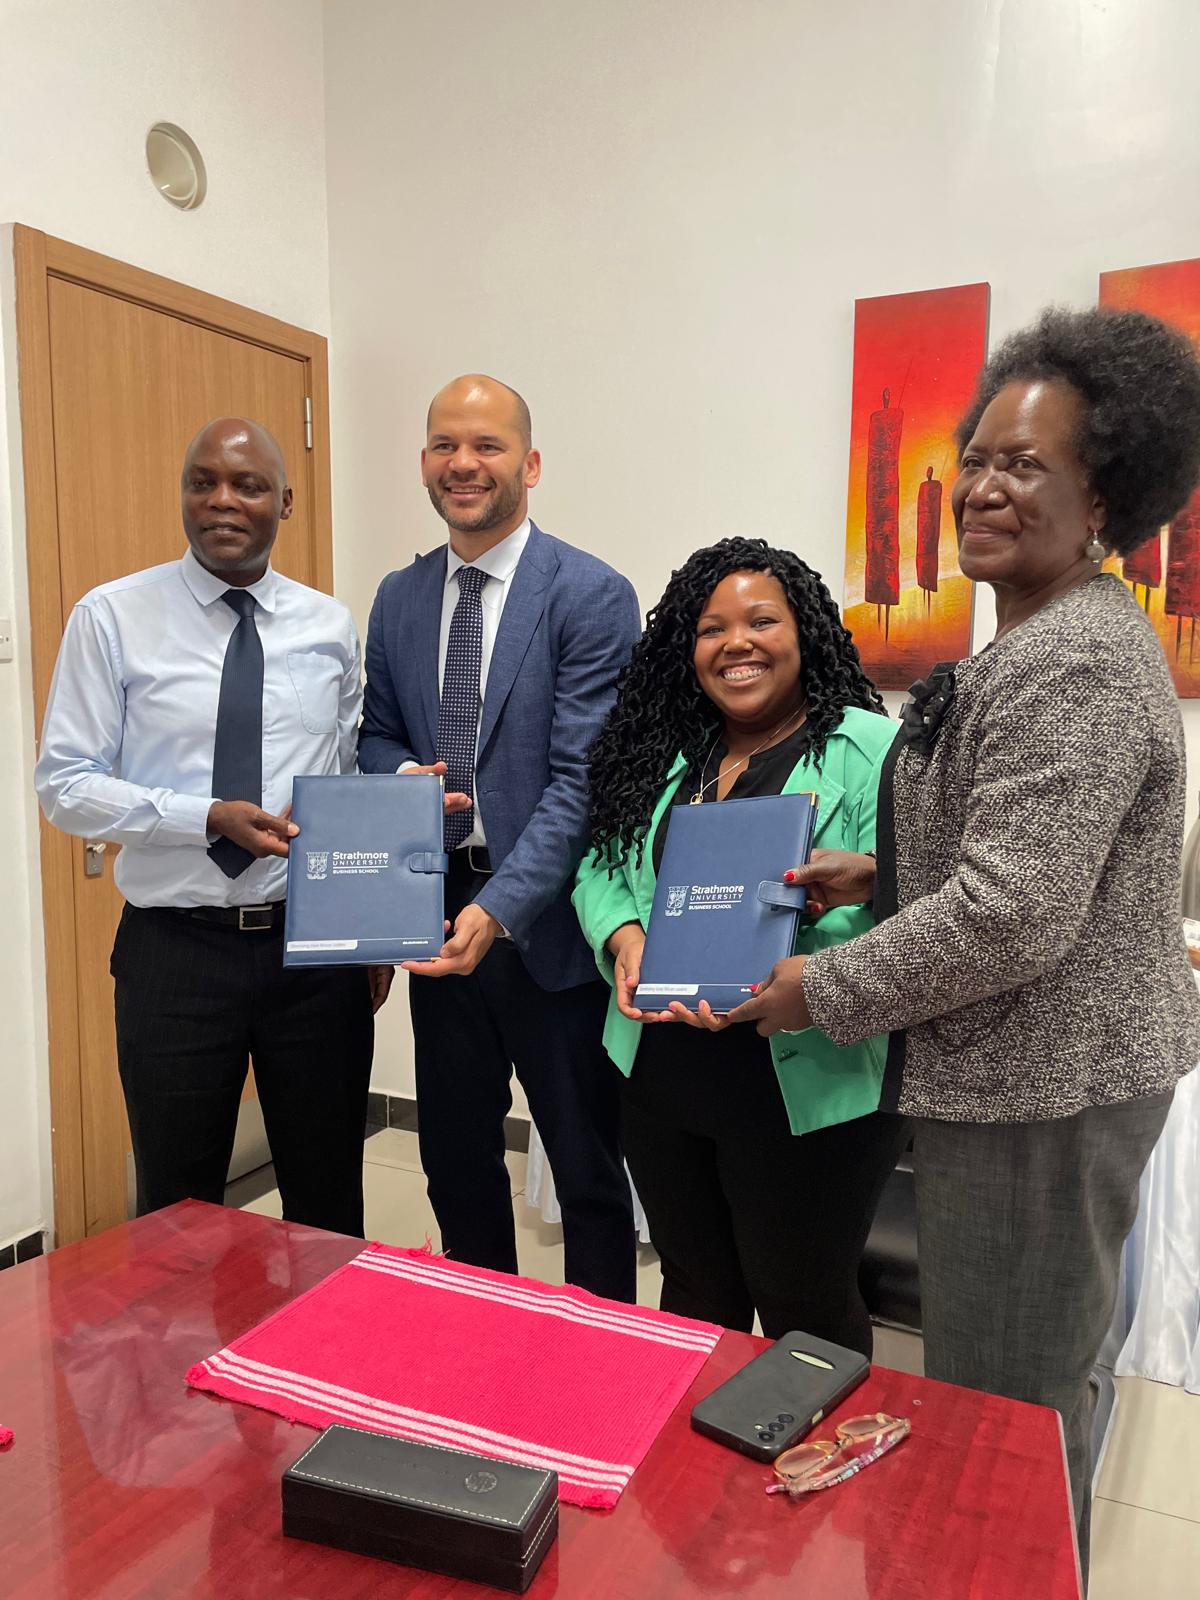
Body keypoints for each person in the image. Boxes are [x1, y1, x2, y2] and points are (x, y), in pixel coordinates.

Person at [727, 308, 1200, 1573]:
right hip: (1024, 1070)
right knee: (1020, 1390)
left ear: (1106, 493)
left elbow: (1014, 914)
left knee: (1013, 1402)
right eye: (977, 457)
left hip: (1044, 1089)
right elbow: (1024, 860)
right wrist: (877, 870)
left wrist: (814, 987)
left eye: (1025, 464)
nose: (984, 486)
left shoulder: (1077, 660)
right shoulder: (1040, 638)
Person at [36, 418, 384, 1236]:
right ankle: (187, 1363)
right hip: (174, 955)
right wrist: (204, 819)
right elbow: (64, 786)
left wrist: (367, 925)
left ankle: (316, 1363)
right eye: (203, 482)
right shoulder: (111, 616)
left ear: (285, 502)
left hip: (312, 953)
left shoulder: (327, 625)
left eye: (248, 484)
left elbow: (344, 779)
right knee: (178, 1211)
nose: (222, 501)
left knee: (329, 1197)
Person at [572, 538, 910, 1350]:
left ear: (807, 634)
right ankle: (689, 1469)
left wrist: (858, 886)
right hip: (664, 1071)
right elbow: (598, 865)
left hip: (802, 1076)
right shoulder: (667, 753)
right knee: (693, 1290)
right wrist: (622, 936)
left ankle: (821, 1470)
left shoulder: (872, 751)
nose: (736, 644)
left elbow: (917, 905)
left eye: (762, 620)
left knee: (804, 1303)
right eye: (711, 628)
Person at [359, 374, 640, 1301]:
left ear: (530, 462)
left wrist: (498, 909)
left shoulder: (589, 593)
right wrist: (401, 779)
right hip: (431, 919)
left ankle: (602, 1365)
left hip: (548, 930)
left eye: (485, 445)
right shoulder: (399, 598)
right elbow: (377, 734)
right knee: (455, 1161)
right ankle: (487, 1348)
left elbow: (582, 781)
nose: (463, 464)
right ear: (425, 462)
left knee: (586, 1169)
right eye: (445, 445)